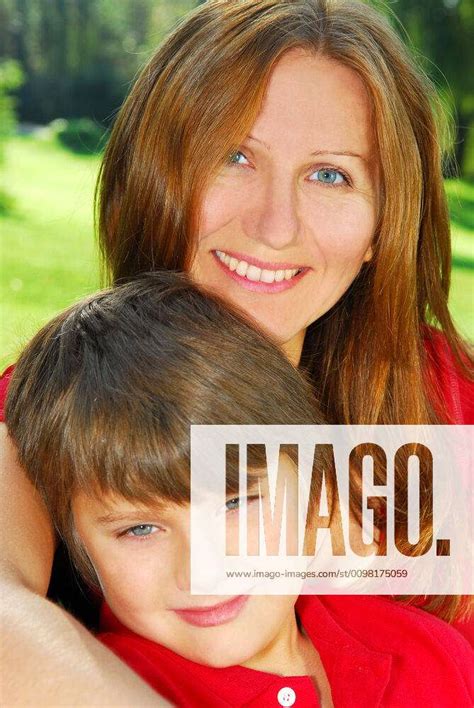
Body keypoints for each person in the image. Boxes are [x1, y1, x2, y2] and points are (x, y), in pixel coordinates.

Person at [1, 0, 472, 703]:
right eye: (234, 155)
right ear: (155, 175)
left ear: (382, 225)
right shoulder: (53, 406)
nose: (274, 226)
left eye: (331, 175)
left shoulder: (436, 389)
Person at [5, 272, 473, 708]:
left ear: (315, 496)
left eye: (236, 502)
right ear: (79, 546)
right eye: (140, 528)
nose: (204, 569)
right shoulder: (89, 684)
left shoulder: (426, 654)